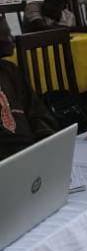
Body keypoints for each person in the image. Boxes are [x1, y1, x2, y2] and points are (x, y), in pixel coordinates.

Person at [0, 18, 58, 160]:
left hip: (31, 153)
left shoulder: (10, 71)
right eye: (6, 35)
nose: (12, 39)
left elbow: (36, 111)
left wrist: (46, 141)